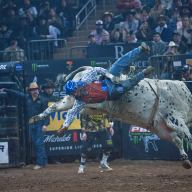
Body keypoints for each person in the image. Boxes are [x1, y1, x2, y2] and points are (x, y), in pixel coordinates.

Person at [57, 42, 153, 134]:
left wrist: (110, 76)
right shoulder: (80, 101)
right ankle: (143, 73)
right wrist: (65, 127)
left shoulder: (84, 81)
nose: (76, 90)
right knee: (127, 85)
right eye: (74, 91)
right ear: (73, 93)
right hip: (111, 94)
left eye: (76, 87)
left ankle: (140, 50)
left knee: (118, 64)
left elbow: (97, 70)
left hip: (106, 81)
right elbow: (71, 114)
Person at [1, 82, 49, 170]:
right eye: (32, 90)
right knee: (37, 143)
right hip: (31, 123)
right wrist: (6, 89)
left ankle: (40, 163)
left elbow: (46, 113)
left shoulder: (43, 100)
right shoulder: (27, 98)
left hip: (39, 123)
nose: (34, 91)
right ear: (30, 91)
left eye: (36, 89)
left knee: (38, 143)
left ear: (38, 89)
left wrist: (45, 125)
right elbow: (17, 94)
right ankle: (44, 161)